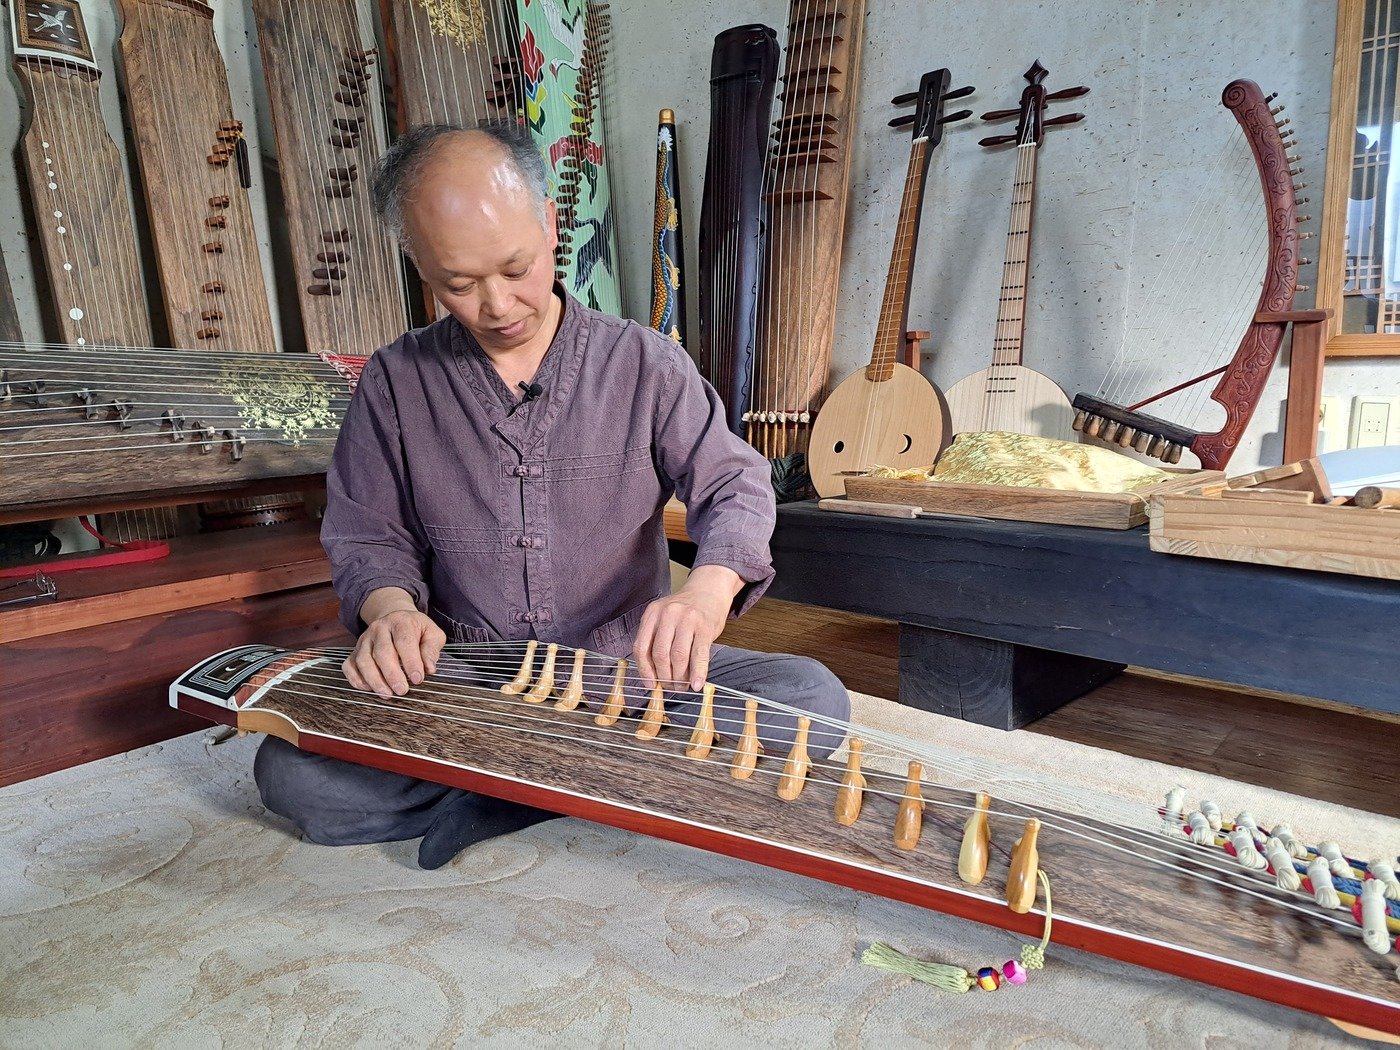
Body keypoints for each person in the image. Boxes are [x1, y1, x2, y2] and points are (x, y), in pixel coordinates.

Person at [254, 122, 850, 869]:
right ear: (419, 265)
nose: (498, 305)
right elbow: (368, 534)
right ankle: (592, 783)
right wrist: (393, 614)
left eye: (516, 268)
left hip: (626, 677)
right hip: (466, 681)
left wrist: (706, 591)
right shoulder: (394, 381)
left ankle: (508, 786)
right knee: (293, 775)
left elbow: (734, 483)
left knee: (811, 701)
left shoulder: (645, 362)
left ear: (549, 221)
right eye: (458, 285)